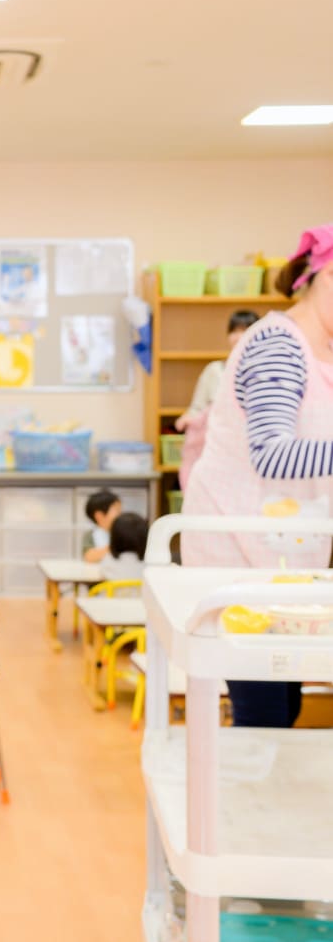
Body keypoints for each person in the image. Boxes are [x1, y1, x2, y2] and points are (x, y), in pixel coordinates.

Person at [182, 224, 333, 728]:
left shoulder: (317, 352)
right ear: (325, 277)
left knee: (283, 702)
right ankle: (237, 804)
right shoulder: (277, 345)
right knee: (264, 708)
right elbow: (272, 453)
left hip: (278, 554)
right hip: (239, 556)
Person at [174, 309, 261, 488]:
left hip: (248, 452)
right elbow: (197, 408)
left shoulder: (265, 372)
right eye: (234, 331)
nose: (238, 336)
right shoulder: (215, 370)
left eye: (245, 330)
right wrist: (187, 418)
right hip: (214, 448)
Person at [99, 511, 148, 581]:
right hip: (140, 592)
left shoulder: (108, 561)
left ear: (114, 538)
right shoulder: (147, 565)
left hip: (112, 591)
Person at [81, 489, 122, 563]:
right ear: (99, 516)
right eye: (117, 511)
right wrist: (116, 548)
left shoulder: (123, 532)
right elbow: (88, 556)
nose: (120, 515)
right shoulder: (90, 535)